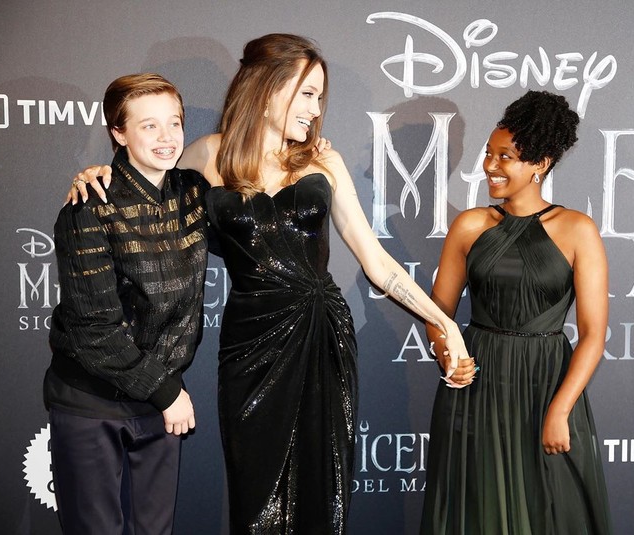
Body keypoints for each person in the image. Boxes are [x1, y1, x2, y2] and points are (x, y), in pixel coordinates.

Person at [69, 34, 469, 534]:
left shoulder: (323, 162)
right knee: (255, 493)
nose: (316, 109)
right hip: (251, 344)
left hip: (321, 335)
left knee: (322, 488)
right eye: (307, 93)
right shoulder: (207, 154)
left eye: (320, 97)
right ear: (266, 88)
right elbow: (146, 183)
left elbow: (377, 263)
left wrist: (444, 323)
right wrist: (99, 175)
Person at [420, 90, 612, 534]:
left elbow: (593, 333)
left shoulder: (577, 230)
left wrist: (560, 410)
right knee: (477, 508)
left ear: (540, 163)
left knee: (548, 511)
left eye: (505, 157)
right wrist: (448, 356)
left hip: (547, 385)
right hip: (477, 388)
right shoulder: (470, 225)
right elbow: (438, 313)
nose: (490, 165)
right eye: (489, 153)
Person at [45, 73, 210, 534]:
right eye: (148, 125)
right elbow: (94, 328)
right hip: (92, 402)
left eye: (174, 123)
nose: (167, 137)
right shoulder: (88, 205)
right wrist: (167, 393)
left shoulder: (193, 193)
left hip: (159, 404)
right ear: (118, 133)